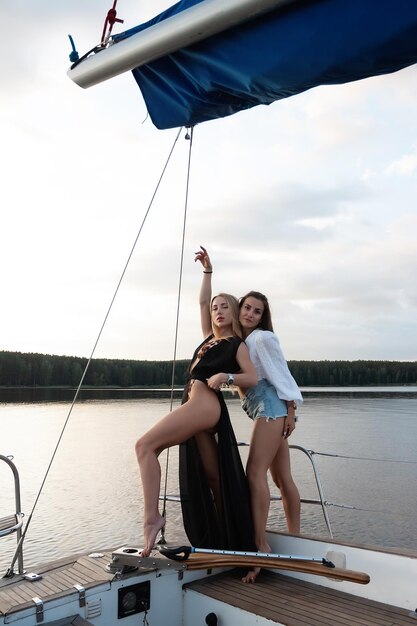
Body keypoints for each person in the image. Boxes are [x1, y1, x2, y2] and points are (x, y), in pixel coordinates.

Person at [135, 256, 258, 558]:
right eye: (216, 308)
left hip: (206, 404)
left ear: (235, 313)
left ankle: (152, 518)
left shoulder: (235, 344)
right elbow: (202, 302)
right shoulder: (209, 339)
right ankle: (230, 543)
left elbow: (252, 377)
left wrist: (225, 376)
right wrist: (207, 272)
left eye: (224, 307)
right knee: (215, 480)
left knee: (144, 447)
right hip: (200, 405)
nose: (217, 311)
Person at [195, 246, 303, 583]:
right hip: (264, 410)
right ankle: (295, 543)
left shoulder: (262, 339)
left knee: (254, 476)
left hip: (271, 410)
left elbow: (280, 376)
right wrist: (208, 273)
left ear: (263, 316)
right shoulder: (231, 339)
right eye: (248, 308)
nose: (251, 314)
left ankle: (259, 548)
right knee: (281, 480)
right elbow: (204, 307)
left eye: (258, 311)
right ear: (240, 309)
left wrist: (290, 409)